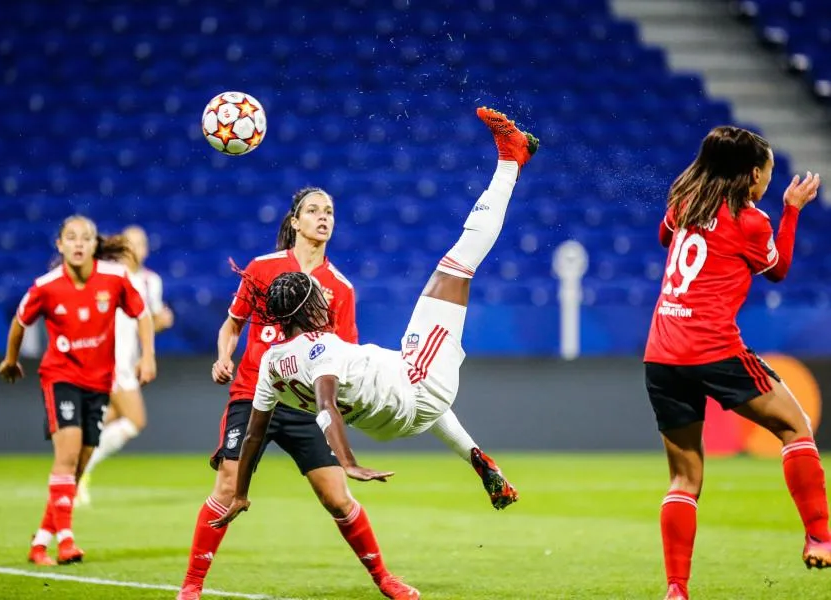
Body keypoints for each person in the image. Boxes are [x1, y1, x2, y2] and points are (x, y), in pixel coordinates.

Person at [207, 109, 538, 552]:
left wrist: (243, 490)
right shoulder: (323, 348)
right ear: (312, 305)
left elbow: (253, 433)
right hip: (417, 392)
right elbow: (325, 406)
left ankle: (478, 459)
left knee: (401, 375)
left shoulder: (271, 362)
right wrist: (348, 463)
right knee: (458, 263)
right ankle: (509, 162)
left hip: (391, 421)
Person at [178, 177, 517, 600]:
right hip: (255, 392)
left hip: (304, 404)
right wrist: (224, 356)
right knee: (228, 485)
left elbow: (337, 369)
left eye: (330, 213)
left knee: (338, 499)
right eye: (315, 211)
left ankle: (384, 580)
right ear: (295, 222)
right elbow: (233, 325)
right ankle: (191, 586)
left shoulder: (340, 287)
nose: (323, 218)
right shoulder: (263, 269)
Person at [641, 126, 826, 600]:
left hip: (661, 354)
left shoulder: (683, 203)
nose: (768, 180)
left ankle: (677, 589)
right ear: (749, 177)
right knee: (796, 427)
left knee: (685, 478)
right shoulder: (751, 221)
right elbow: (778, 269)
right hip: (713, 349)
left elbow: (667, 238)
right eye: (765, 173)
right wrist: (791, 209)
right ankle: (820, 536)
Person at [0, 215, 157, 566]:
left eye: (86, 237)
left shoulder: (115, 279)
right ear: (60, 245)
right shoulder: (46, 285)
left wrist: (148, 356)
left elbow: (143, 314)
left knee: (80, 465)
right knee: (67, 457)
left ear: (95, 244)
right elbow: (20, 321)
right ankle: (66, 541)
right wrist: (10, 360)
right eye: (71, 237)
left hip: (99, 383)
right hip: (61, 378)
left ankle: (40, 542)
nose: (79, 243)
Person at [76, 225, 174, 506]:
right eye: (129, 243)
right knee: (134, 419)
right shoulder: (106, 277)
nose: (135, 249)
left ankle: (75, 459)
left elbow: (144, 323)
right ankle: (77, 471)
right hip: (109, 359)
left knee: (112, 416)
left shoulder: (150, 282)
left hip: (128, 358)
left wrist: (161, 323)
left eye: (140, 243)